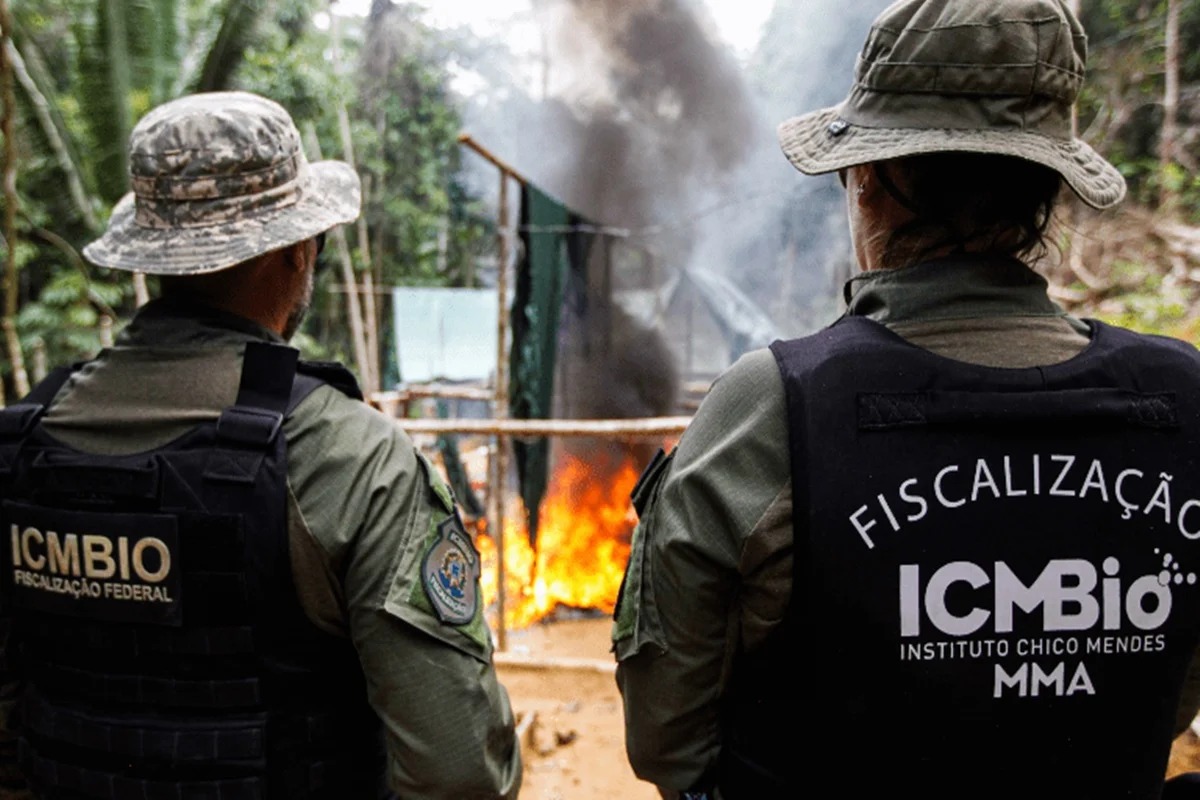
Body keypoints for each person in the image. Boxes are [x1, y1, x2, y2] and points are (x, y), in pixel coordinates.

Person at [613, 1, 1200, 797]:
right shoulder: (1181, 401)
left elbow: (667, 740)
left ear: (868, 180)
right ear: (1049, 191)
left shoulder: (776, 405)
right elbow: (1168, 700)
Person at [0, 91, 520, 799]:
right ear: (298, 249)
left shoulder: (21, 444)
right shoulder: (348, 456)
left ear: (152, 257)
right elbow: (459, 771)